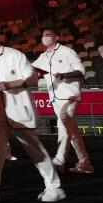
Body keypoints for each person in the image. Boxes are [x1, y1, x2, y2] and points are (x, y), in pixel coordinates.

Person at [0, 31, 65, 203]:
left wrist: (10, 84)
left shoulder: (14, 55)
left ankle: (55, 187)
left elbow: (33, 77)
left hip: (17, 109)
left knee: (35, 149)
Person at [33, 28, 92, 174]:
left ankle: (59, 161)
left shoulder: (67, 52)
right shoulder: (43, 56)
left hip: (69, 96)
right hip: (54, 97)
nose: (45, 37)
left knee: (63, 125)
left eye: (48, 34)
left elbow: (81, 71)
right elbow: (30, 69)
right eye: (43, 35)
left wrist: (64, 75)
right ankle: (85, 163)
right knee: (72, 131)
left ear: (57, 37)